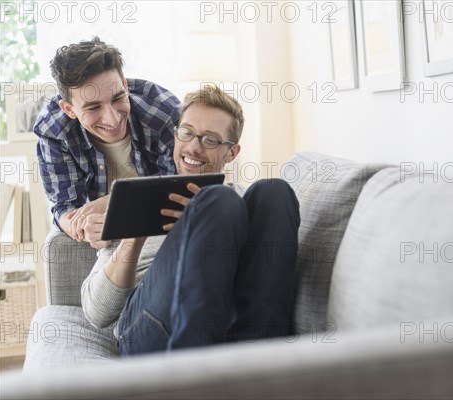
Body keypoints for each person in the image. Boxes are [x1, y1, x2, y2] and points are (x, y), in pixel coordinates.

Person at [81, 85, 300, 355]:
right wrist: (135, 235)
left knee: (274, 191)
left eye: (210, 139)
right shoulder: (139, 199)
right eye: (187, 133)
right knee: (218, 200)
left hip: (228, 321)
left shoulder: (240, 204)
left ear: (231, 152)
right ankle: (195, 373)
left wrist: (206, 220)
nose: (194, 147)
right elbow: (97, 313)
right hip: (147, 328)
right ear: (176, 136)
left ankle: (262, 359)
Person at [35, 37, 180, 249]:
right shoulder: (53, 131)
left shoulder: (165, 112)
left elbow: (176, 189)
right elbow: (64, 206)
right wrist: (82, 227)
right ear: (69, 109)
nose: (112, 119)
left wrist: (115, 201)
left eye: (117, 98)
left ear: (125, 85)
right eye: (93, 108)